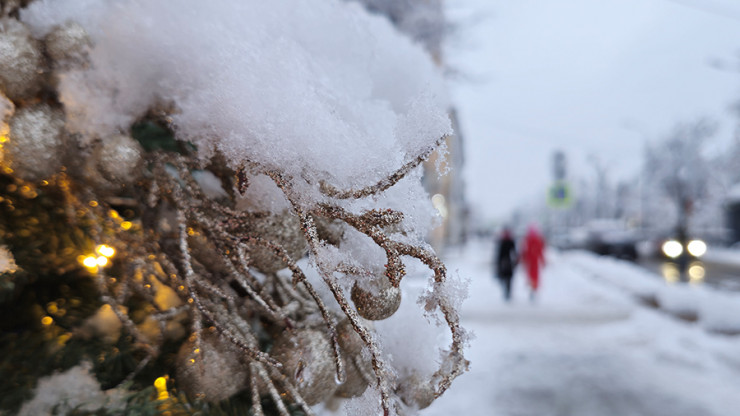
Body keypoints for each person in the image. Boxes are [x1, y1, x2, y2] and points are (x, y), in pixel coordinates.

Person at [520, 224, 545, 301]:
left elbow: (524, 252)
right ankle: (533, 291)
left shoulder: (529, 240)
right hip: (531, 262)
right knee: (533, 277)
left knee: (532, 277)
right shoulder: (528, 241)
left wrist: (523, 260)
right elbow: (524, 252)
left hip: (531, 262)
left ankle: (532, 291)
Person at [494, 227, 517, 301]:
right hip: (507, 263)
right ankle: (507, 292)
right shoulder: (505, 241)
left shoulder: (506, 241)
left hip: (506, 263)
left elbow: (499, 254)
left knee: (507, 278)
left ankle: (507, 292)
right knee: (507, 278)